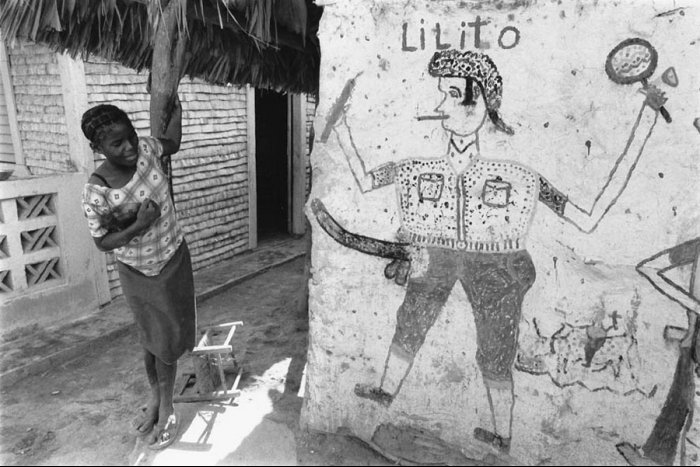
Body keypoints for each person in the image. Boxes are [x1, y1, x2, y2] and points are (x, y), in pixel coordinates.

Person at [330, 48, 666, 453]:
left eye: (453, 94)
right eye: (442, 94)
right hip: (434, 253)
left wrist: (646, 119)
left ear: (481, 104)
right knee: (412, 319)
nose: (441, 106)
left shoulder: (519, 176)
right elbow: (366, 182)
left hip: (497, 262)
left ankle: (502, 433)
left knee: (496, 347)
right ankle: (386, 391)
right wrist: (339, 125)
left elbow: (588, 217)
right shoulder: (417, 169)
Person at [80, 96, 194, 450]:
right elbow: (103, 242)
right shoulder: (96, 190)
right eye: (117, 143)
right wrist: (140, 225)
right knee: (154, 334)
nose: (129, 146)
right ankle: (161, 402)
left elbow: (170, 143)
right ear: (97, 147)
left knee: (167, 335)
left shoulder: (146, 149)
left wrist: (178, 115)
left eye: (130, 135)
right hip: (137, 269)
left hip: (173, 255)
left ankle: (163, 401)